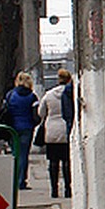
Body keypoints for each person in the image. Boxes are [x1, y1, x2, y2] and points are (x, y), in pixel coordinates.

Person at [38, 69, 74, 198]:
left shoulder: (49, 94)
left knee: (53, 162)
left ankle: (54, 189)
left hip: (52, 130)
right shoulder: (71, 93)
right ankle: (68, 189)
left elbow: (41, 113)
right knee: (66, 162)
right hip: (66, 129)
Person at [4, 72, 39, 190]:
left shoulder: (10, 95)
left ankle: (14, 179)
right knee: (23, 155)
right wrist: (33, 124)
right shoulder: (32, 96)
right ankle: (21, 181)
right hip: (27, 128)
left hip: (12, 128)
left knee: (15, 154)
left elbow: (6, 110)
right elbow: (36, 114)